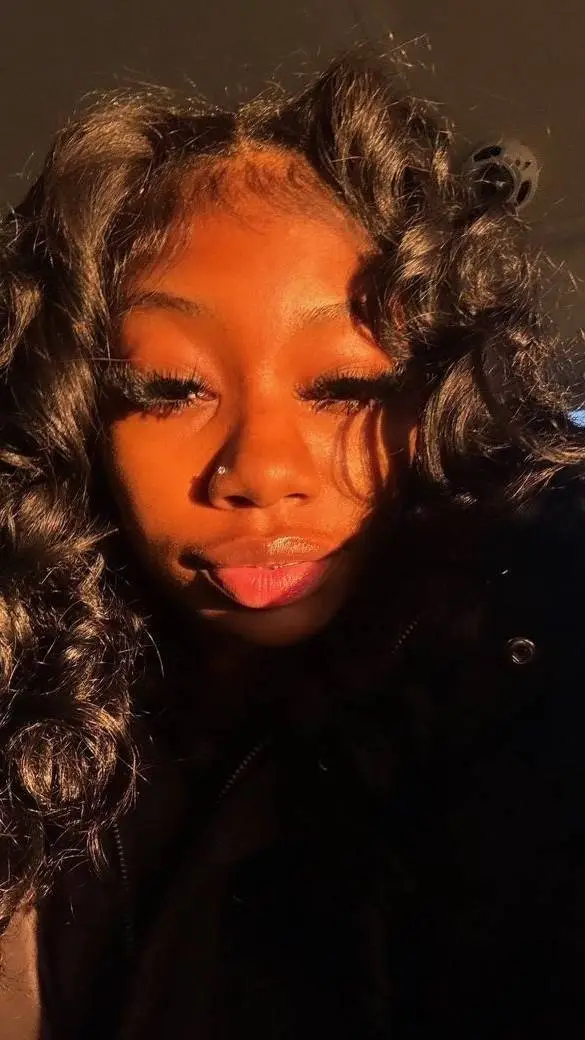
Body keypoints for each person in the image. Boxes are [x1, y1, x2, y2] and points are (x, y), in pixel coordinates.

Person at [0, 51, 584, 1040]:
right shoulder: (31, 708)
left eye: (346, 387)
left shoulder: (528, 697)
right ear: (76, 418)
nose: (260, 469)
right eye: (169, 389)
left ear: (438, 403)